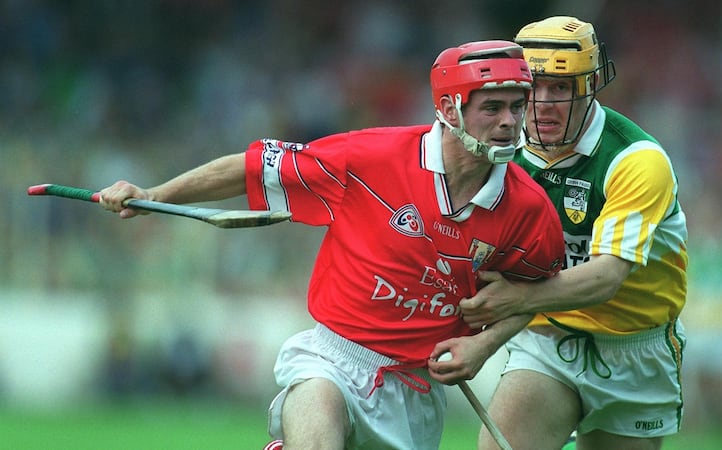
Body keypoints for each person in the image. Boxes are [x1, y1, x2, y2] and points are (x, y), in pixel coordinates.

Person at [98, 40, 564, 450]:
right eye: (492, 108)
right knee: (316, 405)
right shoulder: (372, 157)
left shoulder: (529, 209)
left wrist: (484, 347)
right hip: (334, 357)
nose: (509, 122)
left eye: (516, 107)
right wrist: (155, 195)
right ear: (448, 109)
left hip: (417, 386)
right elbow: (249, 169)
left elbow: (536, 294)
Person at [459, 16, 689, 450]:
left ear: (588, 88)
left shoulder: (636, 160)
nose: (543, 102)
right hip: (546, 338)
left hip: (633, 348)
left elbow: (605, 278)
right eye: (533, 86)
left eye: (560, 88)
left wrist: (518, 299)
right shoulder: (497, 154)